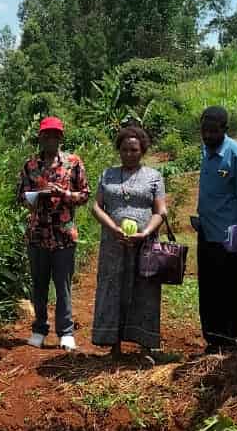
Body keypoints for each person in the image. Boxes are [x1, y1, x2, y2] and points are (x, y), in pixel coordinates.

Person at [91, 125, 167, 358]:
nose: (129, 154)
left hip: (144, 244)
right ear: (119, 150)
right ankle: (113, 344)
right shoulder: (108, 174)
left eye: (134, 150)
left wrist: (145, 232)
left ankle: (146, 344)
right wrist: (114, 228)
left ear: (142, 150)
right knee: (113, 288)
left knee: (145, 289)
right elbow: (96, 206)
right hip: (113, 244)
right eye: (124, 149)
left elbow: (161, 211)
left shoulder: (154, 177)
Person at [16, 116, 90, 350]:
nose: (50, 139)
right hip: (37, 234)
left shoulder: (73, 163)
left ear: (60, 137)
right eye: (46, 135)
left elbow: (85, 194)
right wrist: (37, 195)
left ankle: (65, 332)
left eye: (55, 135)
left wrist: (65, 194)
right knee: (38, 284)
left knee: (63, 284)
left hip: (64, 234)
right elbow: (20, 196)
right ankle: (39, 328)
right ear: (40, 137)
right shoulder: (30, 166)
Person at [194, 106, 237, 352]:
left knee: (230, 290)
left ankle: (232, 341)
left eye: (214, 130)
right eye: (204, 130)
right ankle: (213, 340)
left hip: (231, 237)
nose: (208, 135)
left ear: (225, 129)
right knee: (209, 289)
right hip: (207, 233)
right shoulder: (205, 151)